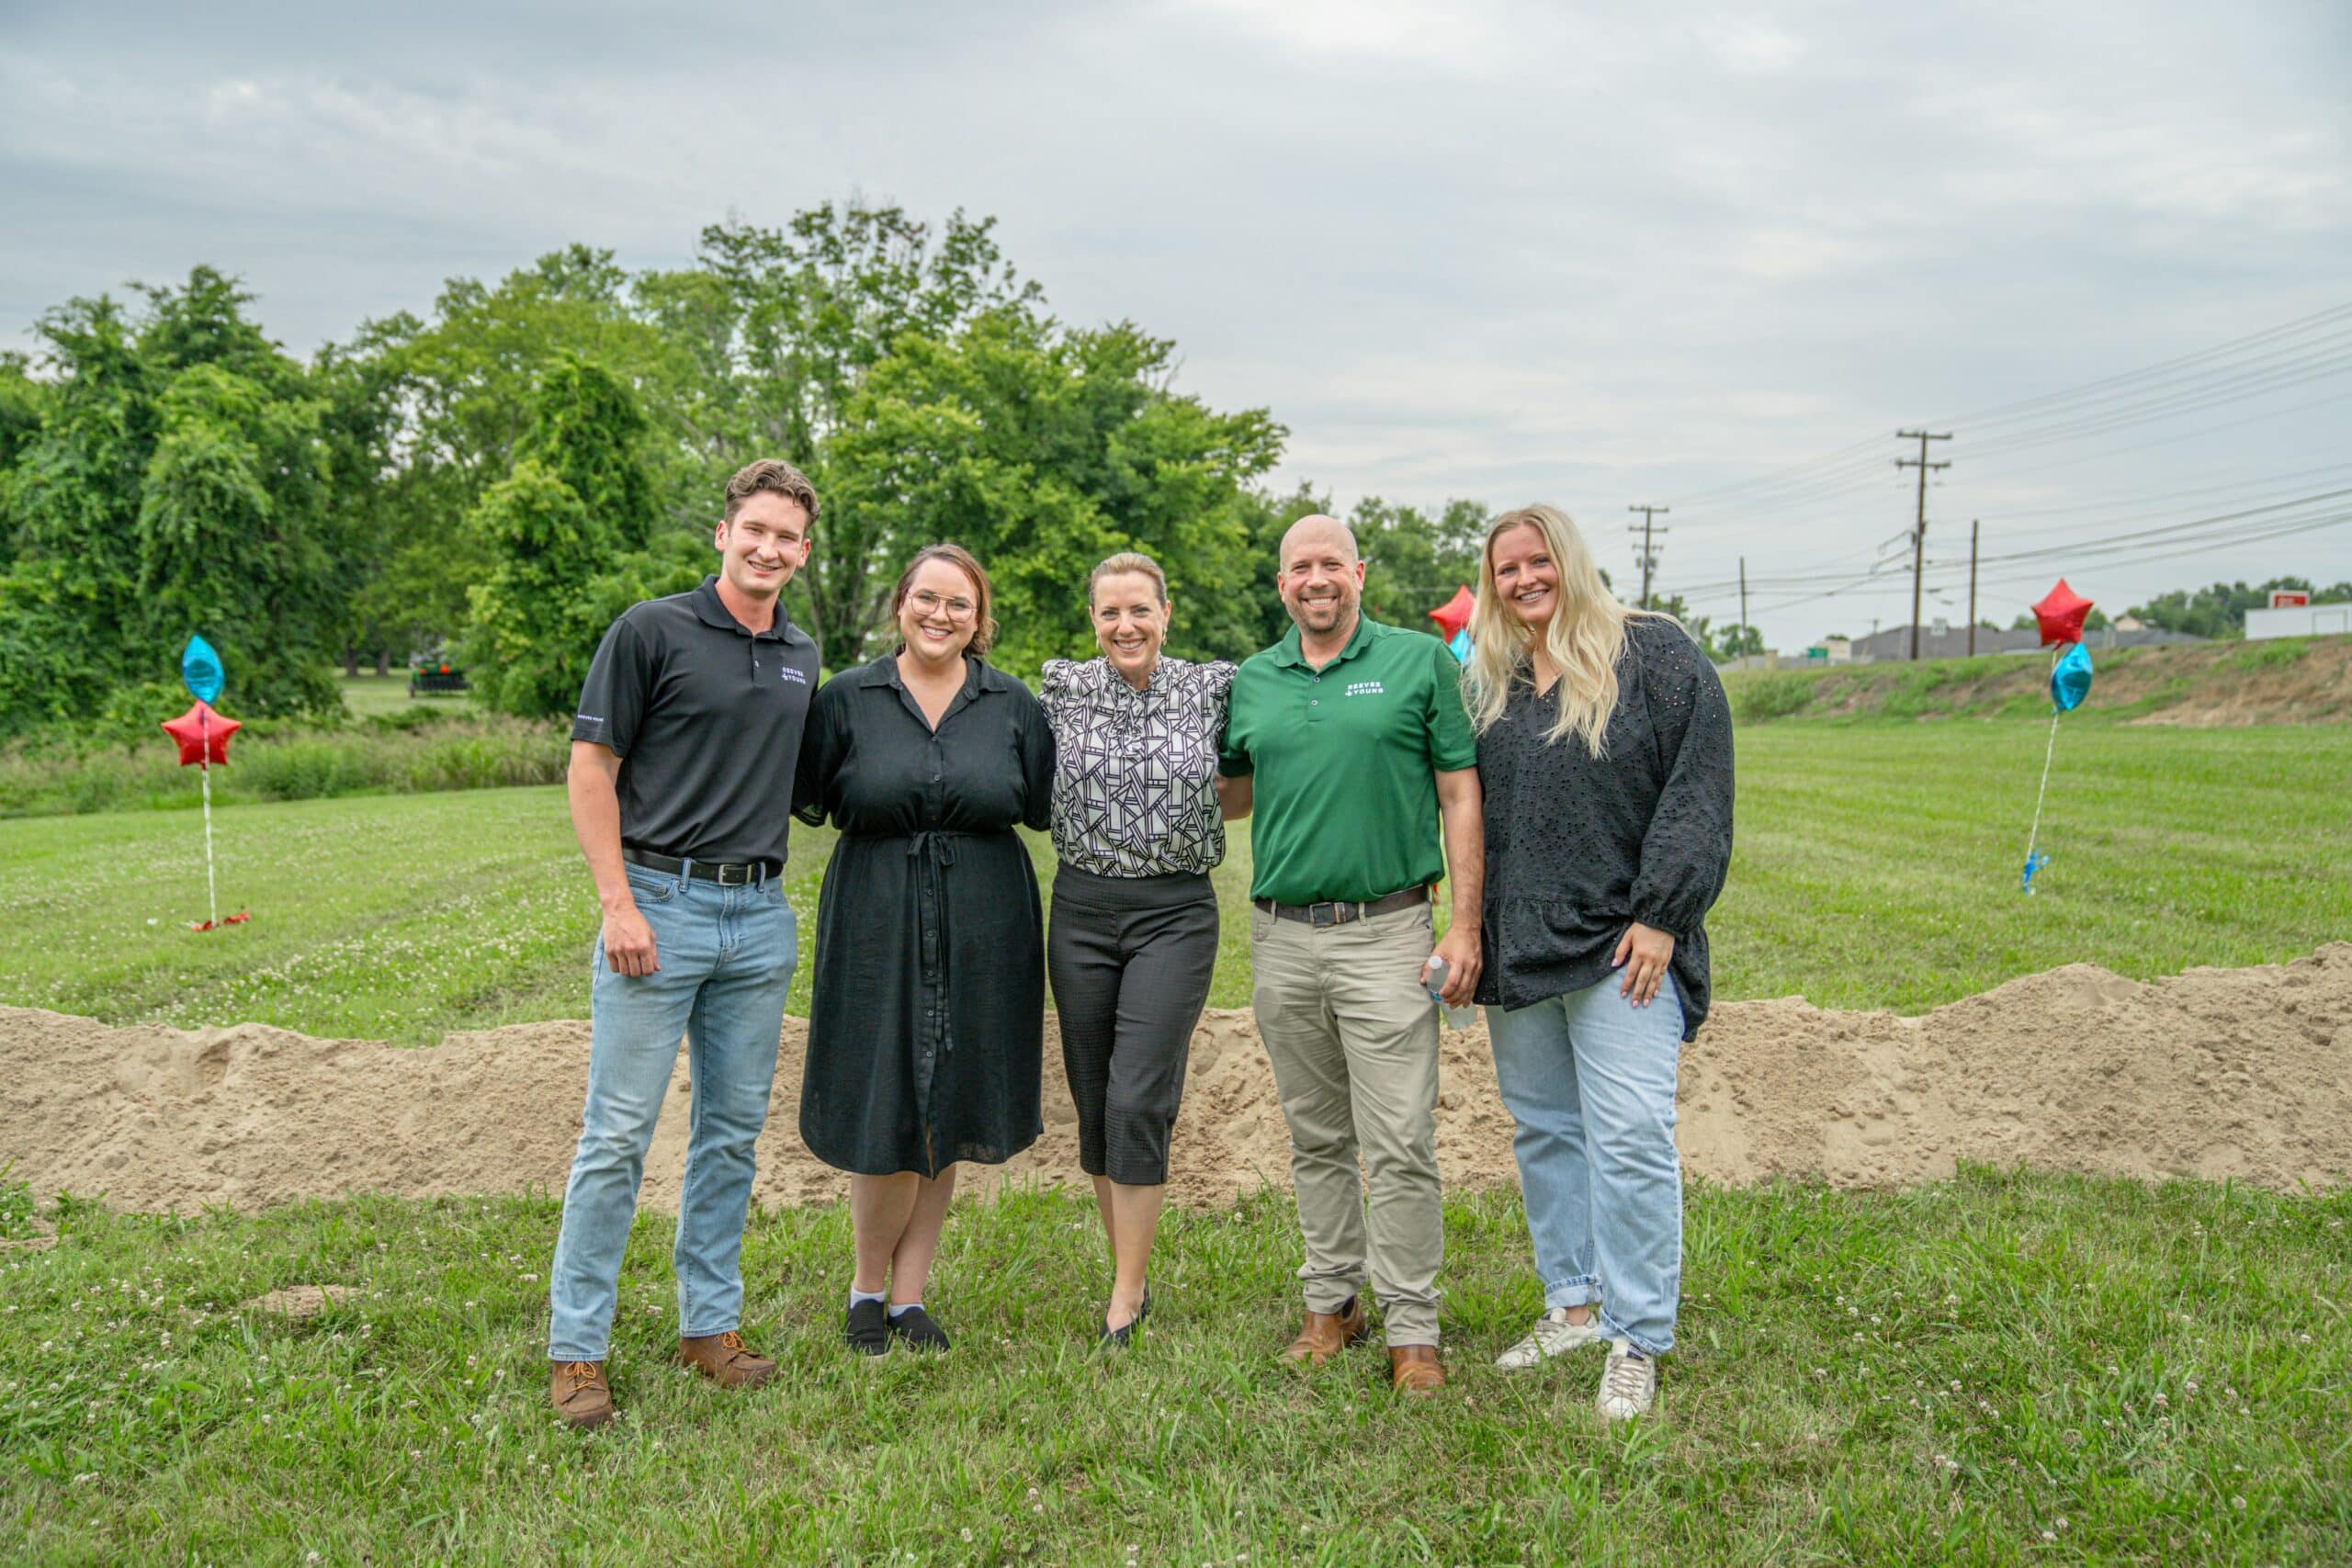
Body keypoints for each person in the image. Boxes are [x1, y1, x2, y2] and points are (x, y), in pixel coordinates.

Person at [546, 458, 822, 1430]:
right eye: (755, 529)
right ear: (723, 532)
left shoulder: (801, 652)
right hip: (657, 908)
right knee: (617, 1136)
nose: (769, 549)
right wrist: (618, 903)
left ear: (801, 550)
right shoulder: (650, 630)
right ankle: (577, 1348)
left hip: (759, 919)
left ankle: (709, 1327)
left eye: (787, 537)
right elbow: (591, 767)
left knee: (730, 1138)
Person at [1463, 503, 1734, 1421]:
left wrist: (1664, 915)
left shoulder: (1653, 656)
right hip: (1522, 943)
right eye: (1507, 569)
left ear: (1570, 562)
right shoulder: (1492, 677)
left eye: (1539, 561)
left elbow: (1698, 786)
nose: (1524, 579)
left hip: (1624, 946)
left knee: (1628, 1136)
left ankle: (1637, 1335)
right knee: (1544, 1129)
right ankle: (1571, 1306)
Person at [1216, 513, 1484, 1395]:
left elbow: (1458, 790)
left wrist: (1464, 925)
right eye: (1301, 566)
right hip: (1283, 937)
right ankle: (1332, 1302)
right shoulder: (1255, 679)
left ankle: (1413, 1326)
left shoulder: (1417, 662)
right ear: (1281, 582)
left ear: (1359, 573)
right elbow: (1234, 795)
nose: (1317, 578)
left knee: (1399, 1138)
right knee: (1316, 1135)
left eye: (1332, 562)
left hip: (1390, 932)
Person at [793, 544, 1055, 1356]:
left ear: (979, 621)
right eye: (927, 598)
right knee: (886, 1103)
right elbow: (807, 793)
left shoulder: (1014, 706)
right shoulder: (844, 699)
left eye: (960, 605)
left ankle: (911, 1298)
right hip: (875, 915)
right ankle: (866, 1290)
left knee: (952, 1099)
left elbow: (1042, 805)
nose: (941, 615)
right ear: (900, 603)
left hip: (987, 918)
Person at [1039, 552, 1234, 1348]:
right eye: (1110, 612)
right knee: (1094, 1098)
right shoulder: (1061, 686)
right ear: (1093, 619)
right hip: (1080, 905)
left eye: (1140, 611)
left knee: (1137, 1095)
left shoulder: (1213, 688)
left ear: (1166, 612)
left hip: (1174, 912)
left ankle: (1125, 1293)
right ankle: (1130, 1268)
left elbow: (1248, 782)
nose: (1126, 626)